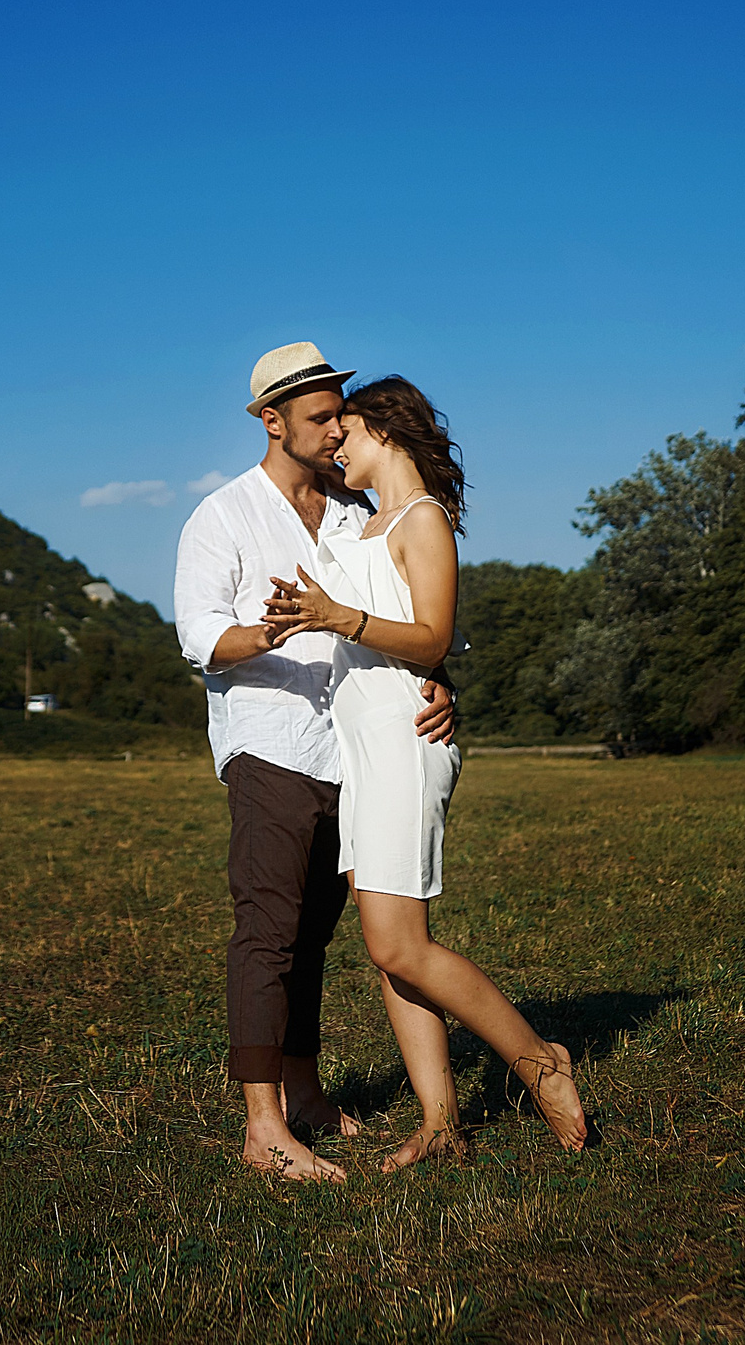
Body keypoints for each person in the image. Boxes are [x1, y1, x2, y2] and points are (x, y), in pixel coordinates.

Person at [264, 375, 590, 1171]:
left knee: (399, 944)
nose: (335, 442)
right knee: (391, 950)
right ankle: (441, 1122)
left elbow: (433, 634)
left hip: (405, 740)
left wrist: (343, 619)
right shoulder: (364, 522)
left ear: (385, 429)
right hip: (362, 751)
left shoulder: (423, 518)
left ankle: (541, 1063)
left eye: (346, 429)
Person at [174, 342, 458, 1184]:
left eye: (342, 415)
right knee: (267, 932)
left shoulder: (352, 510)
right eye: (322, 416)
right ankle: (264, 1128)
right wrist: (277, 628)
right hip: (270, 744)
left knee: (313, 937)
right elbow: (199, 637)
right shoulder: (222, 515)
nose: (338, 430)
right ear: (273, 421)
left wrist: (440, 678)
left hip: (355, 754)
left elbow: (407, 613)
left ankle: (304, 1093)